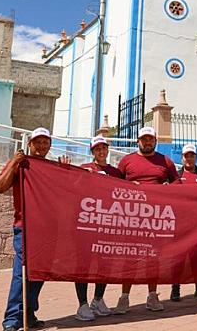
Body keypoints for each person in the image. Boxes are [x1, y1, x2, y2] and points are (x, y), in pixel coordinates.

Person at [0, 127, 59, 331]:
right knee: (20, 274)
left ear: (49, 145)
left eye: (45, 142)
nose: (41, 146)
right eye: (37, 142)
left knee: (39, 274)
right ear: (30, 144)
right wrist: (14, 162)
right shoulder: (20, 165)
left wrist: (65, 171)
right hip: (25, 227)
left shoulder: (52, 167)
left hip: (47, 230)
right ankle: (12, 320)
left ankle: (28, 314)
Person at [113, 127, 178, 313]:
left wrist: (168, 188)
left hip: (155, 218)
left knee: (154, 258)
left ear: (155, 141)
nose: (147, 142)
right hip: (132, 217)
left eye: (150, 139)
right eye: (144, 139)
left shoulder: (165, 161)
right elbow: (115, 184)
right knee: (129, 257)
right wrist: (127, 185)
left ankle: (152, 296)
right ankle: (124, 297)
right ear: (138, 141)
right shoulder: (127, 161)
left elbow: (177, 183)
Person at [75, 135, 122, 321]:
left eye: (104, 148)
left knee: (105, 263)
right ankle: (82, 304)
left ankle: (98, 299)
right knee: (84, 266)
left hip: (108, 225)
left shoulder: (116, 172)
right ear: (92, 152)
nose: (101, 151)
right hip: (87, 225)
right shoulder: (83, 169)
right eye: (97, 149)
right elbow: (71, 188)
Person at [171, 144, 197, 302]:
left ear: (196, 157)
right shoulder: (175, 177)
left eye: (192, 155)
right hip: (180, 223)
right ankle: (175, 289)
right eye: (187, 156)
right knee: (178, 257)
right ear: (182, 158)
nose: (189, 158)